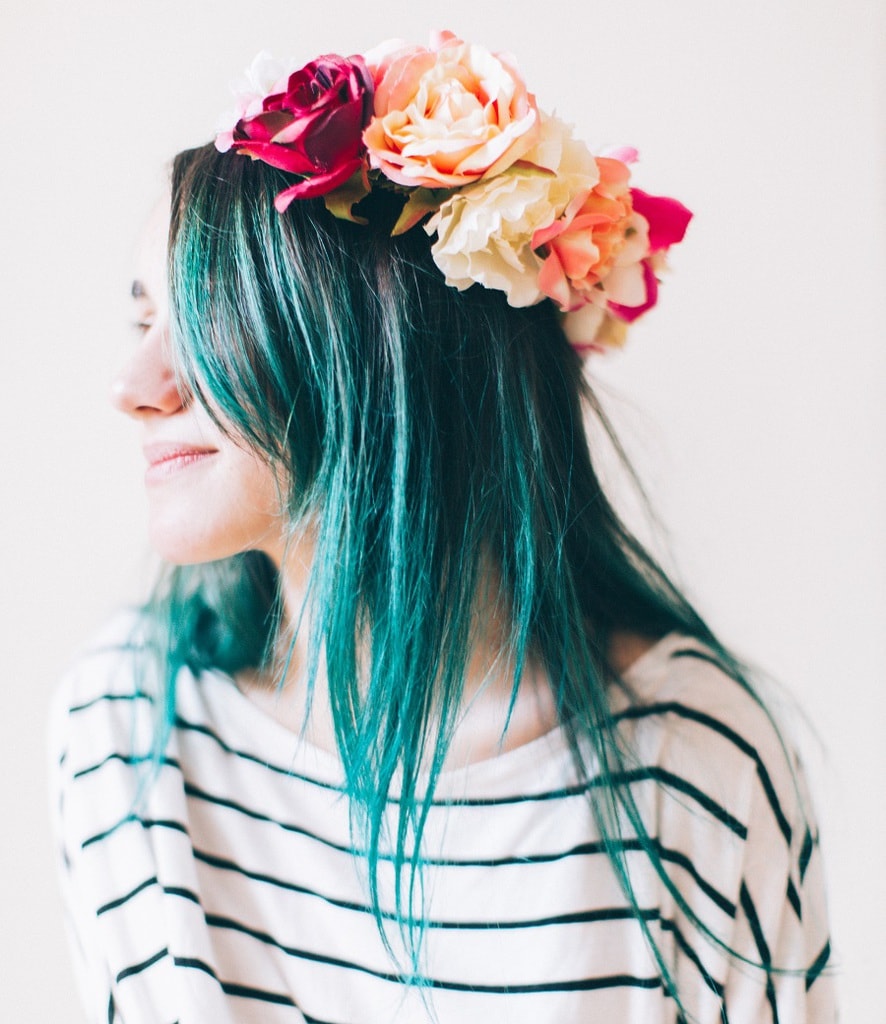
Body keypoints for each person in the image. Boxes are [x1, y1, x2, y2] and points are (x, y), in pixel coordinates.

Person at [49, 32, 835, 1024]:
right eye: (141, 320)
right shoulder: (122, 733)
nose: (131, 389)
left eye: (202, 316)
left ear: (388, 352)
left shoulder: (698, 767)